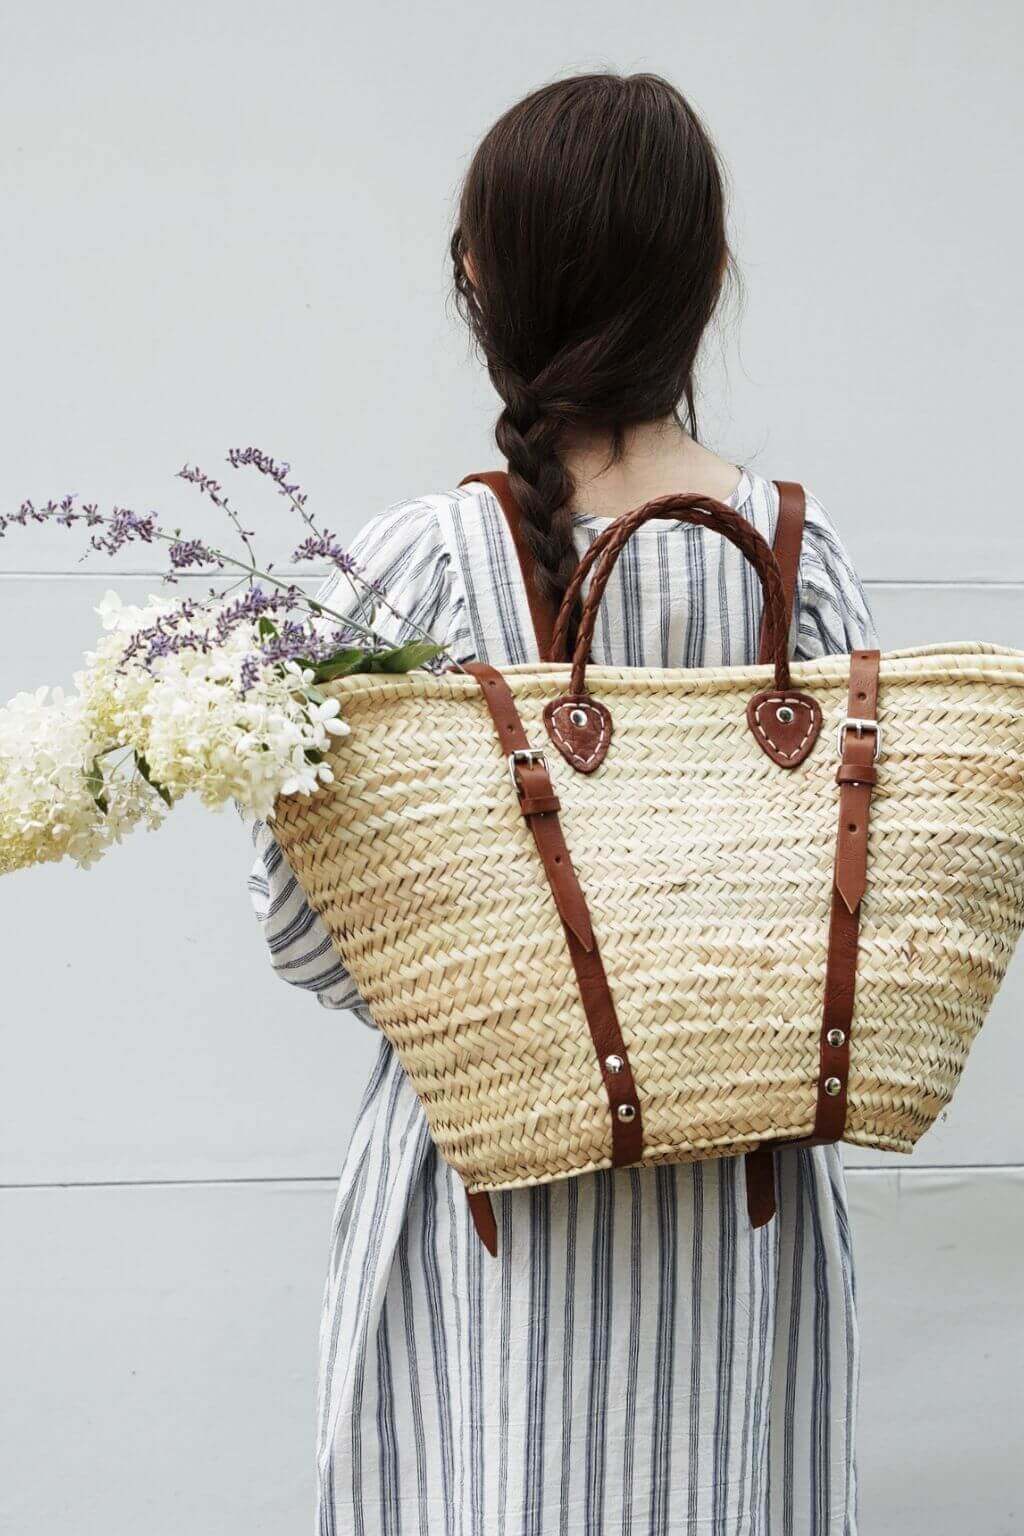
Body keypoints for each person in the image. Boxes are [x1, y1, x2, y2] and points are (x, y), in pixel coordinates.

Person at [249, 72, 877, 1535]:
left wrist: (502, 974)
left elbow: (310, 937)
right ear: (704, 280)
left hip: (484, 1226)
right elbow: (855, 906)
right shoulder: (799, 567)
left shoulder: (410, 574)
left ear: (484, 275)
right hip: (734, 1227)